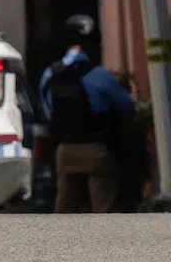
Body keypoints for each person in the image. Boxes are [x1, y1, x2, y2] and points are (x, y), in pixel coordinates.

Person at [38, 13, 135, 213]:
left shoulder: (50, 74)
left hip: (64, 151)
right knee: (103, 207)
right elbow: (126, 105)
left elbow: (47, 110)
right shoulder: (99, 74)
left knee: (66, 208)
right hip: (96, 149)